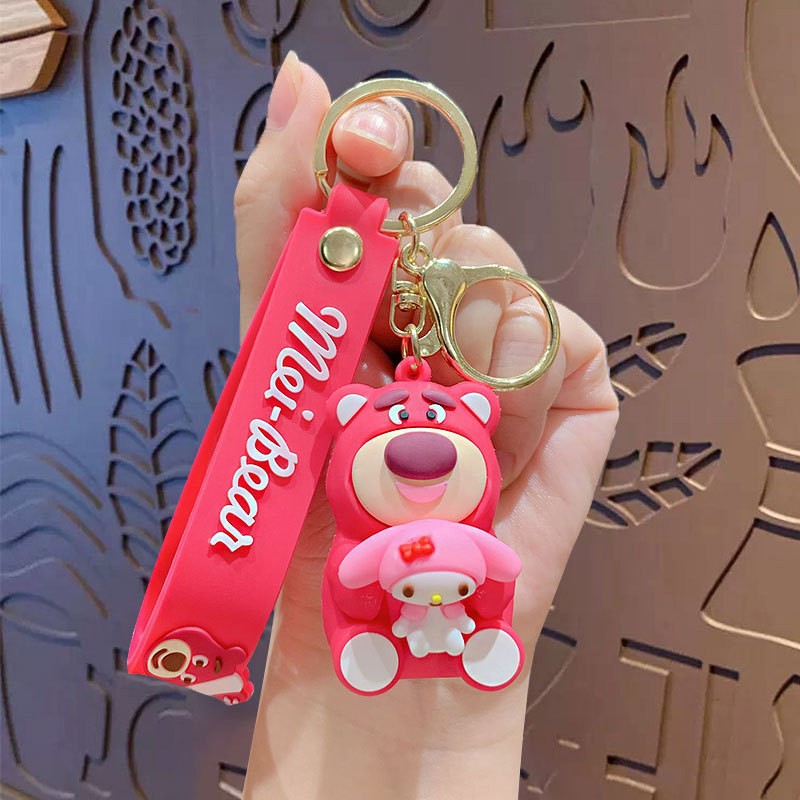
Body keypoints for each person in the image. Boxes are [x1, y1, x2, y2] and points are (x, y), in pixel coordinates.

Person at [236, 52, 619, 799]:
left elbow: (498, 568)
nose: (418, 443)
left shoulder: (476, 504)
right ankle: (374, 655)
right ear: (350, 422)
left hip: (460, 617)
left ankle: (480, 651)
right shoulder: (351, 521)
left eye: (442, 415)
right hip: (372, 626)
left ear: (476, 415)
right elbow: (351, 573)